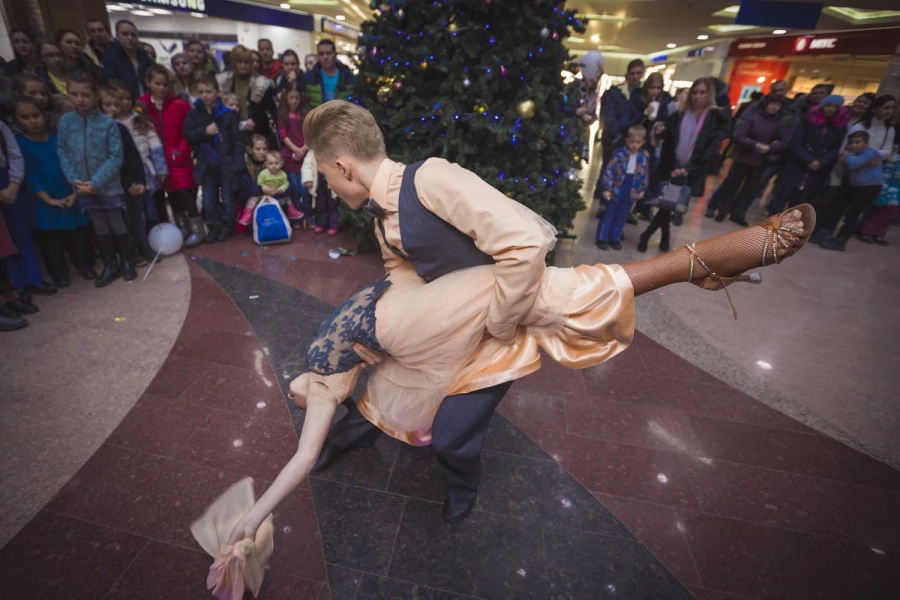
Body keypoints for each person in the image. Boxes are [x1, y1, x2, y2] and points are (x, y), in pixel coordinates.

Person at [199, 103, 815, 589]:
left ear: (342, 168)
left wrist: (491, 320)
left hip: (499, 326)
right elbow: (404, 278)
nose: (328, 191)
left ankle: (462, 491)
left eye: (325, 178)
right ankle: (696, 264)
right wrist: (401, 319)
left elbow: (524, 245)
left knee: (456, 434)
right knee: (383, 399)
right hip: (443, 333)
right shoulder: (382, 218)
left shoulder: (430, 178)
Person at [57, 72, 136, 286]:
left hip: (108, 186)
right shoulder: (65, 122)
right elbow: (62, 152)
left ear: (96, 95)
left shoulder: (107, 124)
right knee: (100, 226)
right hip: (82, 186)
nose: (80, 99)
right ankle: (111, 264)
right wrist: (75, 181)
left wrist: (96, 183)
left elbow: (115, 156)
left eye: (85, 94)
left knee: (117, 224)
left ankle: (127, 261)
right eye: (74, 94)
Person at [639, 78, 729, 252]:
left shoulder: (715, 118)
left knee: (670, 206)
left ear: (709, 94)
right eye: (695, 92)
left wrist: (688, 168)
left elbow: (711, 149)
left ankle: (652, 235)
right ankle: (658, 236)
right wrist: (660, 131)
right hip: (672, 166)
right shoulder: (679, 114)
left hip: (692, 170)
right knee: (667, 205)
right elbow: (669, 136)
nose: (697, 96)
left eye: (702, 92)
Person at [13, 96, 94, 287]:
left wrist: (75, 192)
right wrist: (47, 199)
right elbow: (29, 175)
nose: (33, 120)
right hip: (42, 201)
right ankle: (59, 273)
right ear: (17, 121)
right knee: (51, 240)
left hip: (69, 193)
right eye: (26, 117)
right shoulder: (20, 144)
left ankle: (85, 266)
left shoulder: (57, 141)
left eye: (36, 115)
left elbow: (72, 167)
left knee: (78, 235)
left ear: (45, 116)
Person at [139, 64, 203, 247]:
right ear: (148, 82)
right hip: (158, 161)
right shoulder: (142, 106)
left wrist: (181, 150)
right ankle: (182, 227)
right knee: (170, 195)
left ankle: (197, 229)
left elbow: (189, 130)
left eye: (165, 84)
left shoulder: (179, 105)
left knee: (186, 195)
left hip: (178, 158)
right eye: (157, 83)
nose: (161, 88)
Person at [0, 113, 57, 299]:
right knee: (3, 245)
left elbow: (15, 156)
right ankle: (16, 288)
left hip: (8, 182)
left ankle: (34, 278)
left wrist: (14, 185)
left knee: (21, 235)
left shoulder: (2, 127)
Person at [183, 74, 244, 243]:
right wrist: (204, 132)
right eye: (201, 92)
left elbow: (238, 141)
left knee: (227, 197)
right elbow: (188, 135)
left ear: (217, 92)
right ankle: (214, 225)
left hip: (226, 163)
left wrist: (237, 164)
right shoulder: (195, 114)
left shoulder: (228, 115)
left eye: (208, 91)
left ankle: (226, 225)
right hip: (207, 163)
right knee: (208, 199)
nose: (204, 95)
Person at [712, 94, 790, 225]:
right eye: (772, 104)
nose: (774, 107)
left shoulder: (780, 124)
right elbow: (739, 135)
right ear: (766, 104)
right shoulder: (753, 119)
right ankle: (723, 210)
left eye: (777, 105)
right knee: (733, 185)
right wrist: (754, 144)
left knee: (749, 188)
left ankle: (739, 212)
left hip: (761, 161)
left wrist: (770, 147)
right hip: (744, 157)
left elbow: (784, 141)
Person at [99, 85, 154, 265]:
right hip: (114, 185)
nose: (114, 109)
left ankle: (144, 247)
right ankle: (130, 254)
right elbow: (109, 162)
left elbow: (133, 156)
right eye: (108, 105)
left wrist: (139, 180)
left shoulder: (121, 129)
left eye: (116, 104)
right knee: (122, 223)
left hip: (132, 182)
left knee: (137, 217)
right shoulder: (99, 132)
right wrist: (126, 182)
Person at [768, 95, 847, 215]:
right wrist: (809, 159)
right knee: (783, 194)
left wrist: (821, 162)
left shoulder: (839, 127)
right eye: (828, 105)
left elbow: (836, 148)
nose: (831, 109)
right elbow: (795, 142)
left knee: (800, 201)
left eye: (835, 107)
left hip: (818, 168)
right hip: (797, 163)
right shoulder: (809, 120)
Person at [110, 79, 169, 239]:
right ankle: (139, 239)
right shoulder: (111, 124)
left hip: (146, 169)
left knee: (152, 205)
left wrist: (161, 167)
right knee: (132, 209)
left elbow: (154, 143)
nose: (125, 103)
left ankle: (156, 235)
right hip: (125, 173)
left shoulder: (141, 120)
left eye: (128, 98)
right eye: (120, 99)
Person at [818, 130, 883, 251]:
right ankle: (829, 235)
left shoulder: (871, 152)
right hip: (856, 187)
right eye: (851, 142)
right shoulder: (855, 155)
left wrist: (847, 155)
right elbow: (844, 170)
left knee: (853, 214)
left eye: (858, 142)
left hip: (869, 187)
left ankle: (841, 240)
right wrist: (844, 160)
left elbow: (854, 164)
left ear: (866, 143)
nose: (853, 145)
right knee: (841, 210)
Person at [594, 58, 645, 207]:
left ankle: (621, 206)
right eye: (632, 73)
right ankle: (604, 203)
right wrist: (617, 137)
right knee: (609, 170)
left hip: (631, 142)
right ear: (627, 74)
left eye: (638, 73)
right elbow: (609, 117)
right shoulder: (615, 93)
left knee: (626, 173)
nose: (635, 76)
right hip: (613, 139)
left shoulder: (642, 96)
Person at [596, 125, 650, 250]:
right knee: (609, 213)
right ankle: (602, 237)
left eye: (638, 142)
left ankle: (615, 237)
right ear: (627, 140)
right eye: (632, 142)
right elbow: (609, 171)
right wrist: (606, 188)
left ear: (643, 142)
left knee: (622, 215)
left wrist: (642, 189)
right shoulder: (619, 154)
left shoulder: (644, 157)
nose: (634, 145)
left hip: (632, 188)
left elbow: (645, 174)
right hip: (617, 186)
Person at [217, 45, 279, 148]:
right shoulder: (222, 81)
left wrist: (255, 121)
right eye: (239, 62)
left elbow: (270, 110)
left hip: (256, 133)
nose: (243, 65)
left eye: (246, 62)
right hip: (229, 131)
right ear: (234, 63)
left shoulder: (263, 83)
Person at [629, 72, 670, 220]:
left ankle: (643, 207)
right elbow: (629, 124)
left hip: (651, 146)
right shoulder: (637, 100)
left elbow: (665, 128)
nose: (655, 91)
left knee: (648, 177)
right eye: (652, 87)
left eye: (658, 88)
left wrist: (660, 129)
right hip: (634, 143)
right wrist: (644, 114)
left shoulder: (663, 105)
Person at [277, 80, 309, 225]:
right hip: (289, 156)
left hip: (305, 156)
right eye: (291, 98)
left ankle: (308, 215)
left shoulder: (305, 113)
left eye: (297, 98)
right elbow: (283, 135)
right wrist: (296, 150)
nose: (294, 101)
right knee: (294, 188)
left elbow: (310, 133)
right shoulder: (283, 114)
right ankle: (296, 216)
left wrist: (303, 150)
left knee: (305, 189)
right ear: (286, 97)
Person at [857, 145, 899, 245]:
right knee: (879, 215)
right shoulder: (893, 162)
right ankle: (867, 232)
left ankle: (879, 235)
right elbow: (885, 177)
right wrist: (883, 191)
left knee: (890, 217)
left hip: (898, 195)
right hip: (888, 193)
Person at [101, 20, 155, 98]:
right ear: (117, 36)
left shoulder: (144, 56)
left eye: (133, 35)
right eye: (125, 34)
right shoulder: (111, 57)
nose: (130, 38)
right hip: (124, 101)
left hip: (146, 100)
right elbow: (110, 85)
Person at [301, 39, 355, 108]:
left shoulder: (347, 76)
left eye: (329, 53)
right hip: (317, 117)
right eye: (321, 54)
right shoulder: (309, 77)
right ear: (318, 56)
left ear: (335, 54)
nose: (325, 57)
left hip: (341, 117)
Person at [235, 134, 268, 233]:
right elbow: (243, 190)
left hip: (267, 197)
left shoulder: (271, 162)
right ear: (250, 149)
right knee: (242, 228)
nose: (262, 152)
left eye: (264, 149)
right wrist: (261, 189)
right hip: (247, 199)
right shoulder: (243, 164)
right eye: (258, 149)